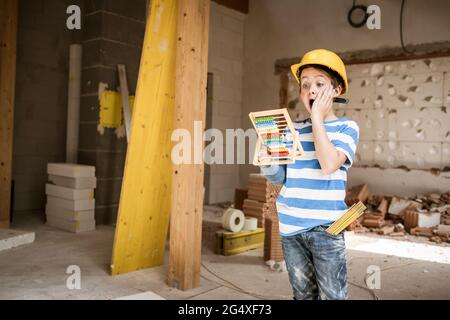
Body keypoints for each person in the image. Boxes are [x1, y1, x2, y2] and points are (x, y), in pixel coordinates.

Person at [260, 49, 359, 300]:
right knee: (303, 294)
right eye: (305, 85)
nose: (310, 90)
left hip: (327, 228)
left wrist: (317, 118)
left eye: (319, 84)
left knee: (333, 295)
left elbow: (328, 164)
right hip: (291, 226)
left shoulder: (347, 128)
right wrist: (267, 162)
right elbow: (282, 179)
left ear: (336, 91)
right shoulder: (291, 129)